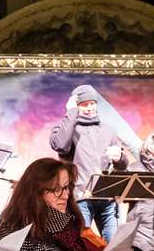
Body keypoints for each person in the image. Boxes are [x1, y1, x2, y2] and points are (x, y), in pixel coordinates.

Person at [50, 84, 131, 241]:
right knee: (81, 243)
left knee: (112, 246)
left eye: (92, 103)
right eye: (83, 105)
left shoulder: (108, 130)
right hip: (80, 197)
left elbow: (123, 165)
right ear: (75, 106)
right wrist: (71, 112)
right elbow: (60, 145)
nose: (89, 108)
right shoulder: (65, 129)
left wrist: (119, 157)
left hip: (107, 197)